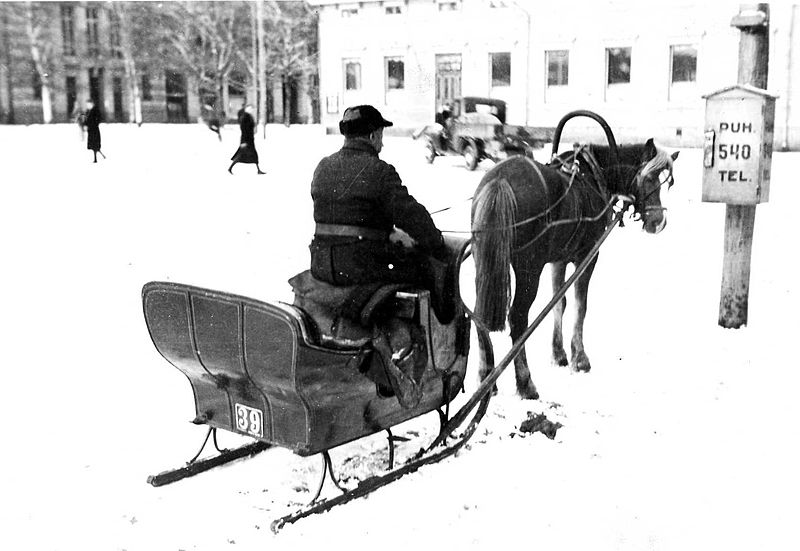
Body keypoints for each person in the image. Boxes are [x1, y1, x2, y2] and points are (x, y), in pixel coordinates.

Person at [309, 104, 451, 296]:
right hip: (360, 267)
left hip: (321, 263)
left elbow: (345, 214)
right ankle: (438, 324)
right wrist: (436, 242)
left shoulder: (323, 166)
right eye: (381, 136)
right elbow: (410, 215)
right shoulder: (379, 170)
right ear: (373, 136)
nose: (382, 144)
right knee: (430, 268)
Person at [228, 104, 265, 175]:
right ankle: (230, 168)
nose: (253, 111)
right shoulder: (245, 117)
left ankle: (258, 169)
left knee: (252, 154)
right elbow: (244, 129)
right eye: (251, 109)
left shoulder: (248, 116)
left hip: (249, 139)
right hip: (246, 139)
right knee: (241, 155)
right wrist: (244, 141)